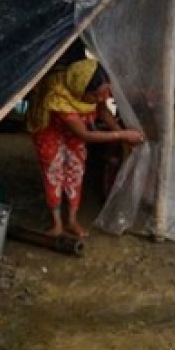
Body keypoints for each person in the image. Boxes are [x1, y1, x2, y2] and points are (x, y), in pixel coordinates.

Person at [26, 59, 145, 237]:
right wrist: (124, 135)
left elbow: (102, 111)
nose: (100, 99)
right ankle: (57, 223)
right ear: (81, 91)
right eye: (96, 96)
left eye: (103, 94)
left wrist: (120, 131)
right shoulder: (58, 96)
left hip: (73, 133)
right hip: (50, 132)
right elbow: (85, 134)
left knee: (75, 171)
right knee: (54, 173)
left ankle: (72, 220)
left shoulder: (93, 88)